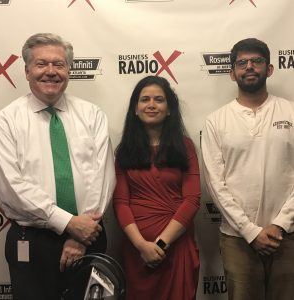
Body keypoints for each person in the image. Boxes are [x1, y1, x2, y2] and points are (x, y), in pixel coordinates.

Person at [0, 33, 116, 300]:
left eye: (59, 64)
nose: (51, 71)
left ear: (68, 70)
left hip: (90, 234)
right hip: (33, 239)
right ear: (27, 71)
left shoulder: (92, 115)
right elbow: (12, 186)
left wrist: (81, 233)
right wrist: (68, 223)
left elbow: (103, 178)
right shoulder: (4, 121)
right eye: (41, 64)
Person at [201, 38, 294, 300]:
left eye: (257, 61)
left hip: (287, 236)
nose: (249, 67)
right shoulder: (216, 121)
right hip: (237, 239)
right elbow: (215, 184)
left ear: (270, 68)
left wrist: (280, 224)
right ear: (232, 73)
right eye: (242, 63)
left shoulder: (290, 112)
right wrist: (251, 232)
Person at [113, 76, 200, 300]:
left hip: (176, 248)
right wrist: (142, 246)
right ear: (135, 108)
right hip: (137, 252)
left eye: (159, 100)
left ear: (169, 109)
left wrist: (160, 244)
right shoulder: (124, 150)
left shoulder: (185, 147)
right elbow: (121, 203)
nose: (151, 105)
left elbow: (192, 200)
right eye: (145, 99)